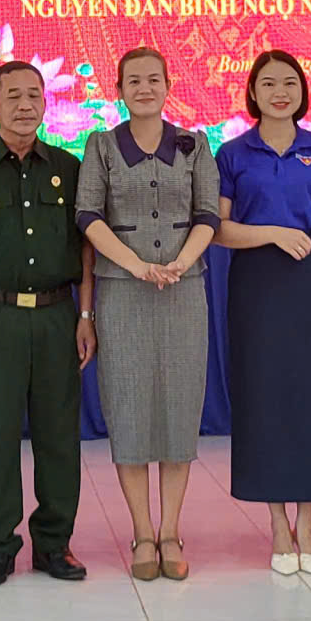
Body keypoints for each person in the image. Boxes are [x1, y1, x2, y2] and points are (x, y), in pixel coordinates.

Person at [0, 60, 97, 587]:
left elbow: (87, 251)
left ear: (46, 103)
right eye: (13, 96)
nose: (25, 105)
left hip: (56, 315)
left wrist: (85, 315)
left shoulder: (70, 169)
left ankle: (54, 544)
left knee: (59, 436)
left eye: (34, 95)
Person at [76, 47, 217, 581]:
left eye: (153, 79)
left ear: (168, 86)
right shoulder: (101, 145)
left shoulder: (194, 144)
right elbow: (87, 215)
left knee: (180, 410)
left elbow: (208, 213)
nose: (144, 88)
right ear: (118, 90)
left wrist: (181, 261)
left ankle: (171, 531)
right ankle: (141, 532)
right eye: (133, 80)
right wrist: (135, 264)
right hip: (122, 294)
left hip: (184, 290)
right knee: (130, 411)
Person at [214, 49, 311, 576]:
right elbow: (218, 229)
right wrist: (272, 233)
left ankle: (309, 525)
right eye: (269, 83)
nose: (280, 92)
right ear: (252, 92)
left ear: (303, 91)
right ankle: (277, 524)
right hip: (256, 284)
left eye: (290, 83)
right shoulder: (233, 153)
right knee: (264, 400)